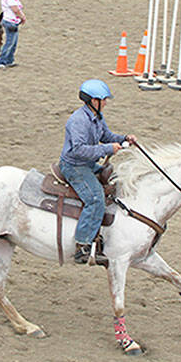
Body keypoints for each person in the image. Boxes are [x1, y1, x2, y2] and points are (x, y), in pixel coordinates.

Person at [60, 80, 136, 266]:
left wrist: (124, 139)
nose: (106, 102)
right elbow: (78, 150)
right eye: (104, 100)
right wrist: (107, 149)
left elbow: (106, 136)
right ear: (93, 101)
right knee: (95, 199)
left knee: (114, 180)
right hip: (75, 166)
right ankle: (82, 246)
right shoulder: (78, 121)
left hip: (87, 163)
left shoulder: (96, 117)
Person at [0, 0, 25, 68]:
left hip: (10, 21)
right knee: (10, 42)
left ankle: (9, 60)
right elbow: (15, 9)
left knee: (13, 42)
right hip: (10, 21)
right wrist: (22, 17)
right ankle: (2, 61)